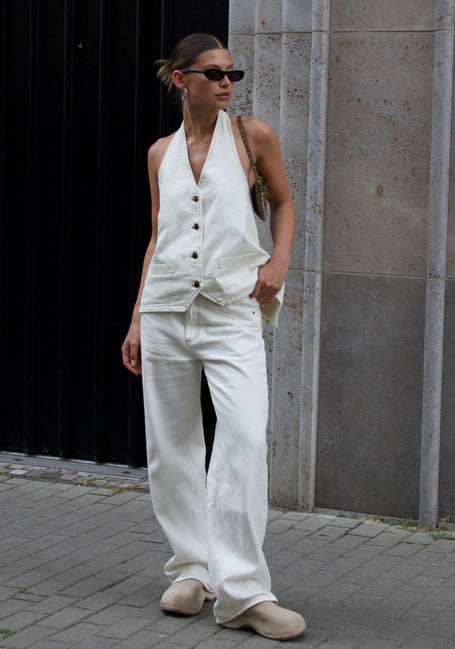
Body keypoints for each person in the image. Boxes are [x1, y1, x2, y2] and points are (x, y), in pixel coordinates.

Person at [121, 33, 306, 641]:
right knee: (171, 446)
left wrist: (279, 261)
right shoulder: (160, 153)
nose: (227, 83)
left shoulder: (254, 137)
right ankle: (191, 570)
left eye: (233, 73)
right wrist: (138, 316)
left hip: (231, 311)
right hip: (167, 310)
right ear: (181, 79)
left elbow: (284, 204)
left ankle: (244, 591)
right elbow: (159, 236)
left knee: (245, 439)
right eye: (214, 74)